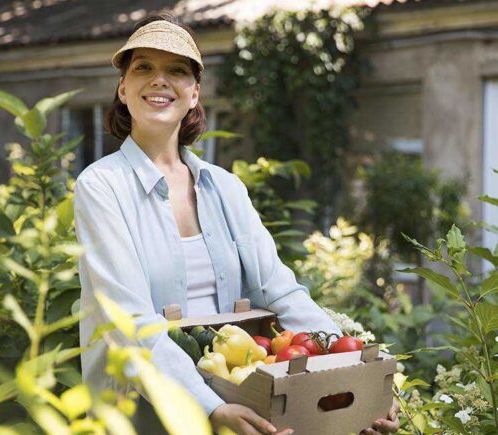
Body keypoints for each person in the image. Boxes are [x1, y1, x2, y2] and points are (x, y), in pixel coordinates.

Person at [74, 12, 400, 435]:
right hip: (139, 411)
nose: (159, 80)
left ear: (194, 93)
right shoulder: (101, 187)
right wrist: (208, 407)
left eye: (176, 70)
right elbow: (132, 323)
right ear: (123, 88)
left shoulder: (225, 188)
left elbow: (280, 291)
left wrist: (352, 377)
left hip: (235, 397)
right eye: (143, 68)